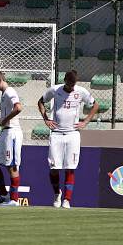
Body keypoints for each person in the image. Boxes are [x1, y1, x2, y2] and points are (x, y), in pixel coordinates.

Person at [38, 70, 98, 208]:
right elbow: (41, 101)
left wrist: (86, 121)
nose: (71, 87)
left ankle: (67, 199)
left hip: (72, 134)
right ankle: (56, 194)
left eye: (73, 84)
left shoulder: (81, 91)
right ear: (65, 81)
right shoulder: (55, 90)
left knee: (70, 167)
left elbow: (95, 105)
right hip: (56, 133)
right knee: (54, 167)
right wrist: (46, 118)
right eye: (69, 84)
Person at [0, 70, 23, 206]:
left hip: (12, 132)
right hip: (5, 133)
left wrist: (5, 120)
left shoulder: (10, 92)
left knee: (11, 166)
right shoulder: (3, 94)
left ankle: (14, 200)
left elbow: (18, 108)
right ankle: (3, 195)